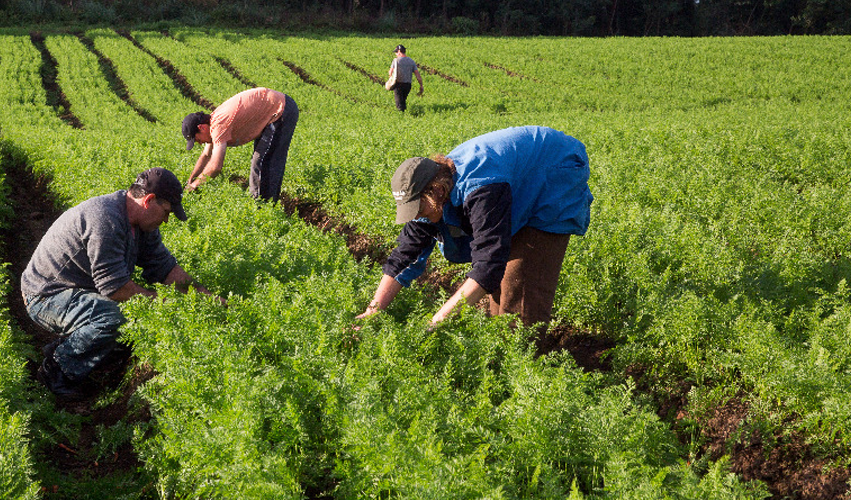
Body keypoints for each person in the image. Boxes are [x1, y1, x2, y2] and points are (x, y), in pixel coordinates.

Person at [356, 126, 593, 330]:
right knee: (499, 291)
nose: (417, 218)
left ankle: (519, 366)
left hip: (553, 172)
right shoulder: (432, 195)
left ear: (437, 192)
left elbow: (488, 265)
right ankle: (500, 353)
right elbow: (404, 256)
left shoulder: (481, 190)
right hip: (516, 179)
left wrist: (436, 323)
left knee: (520, 286)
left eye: (418, 210)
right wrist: (372, 311)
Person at [21, 167, 219, 399]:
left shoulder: (142, 226)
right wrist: (162, 302)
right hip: (45, 295)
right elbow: (114, 288)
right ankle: (57, 370)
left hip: (78, 289)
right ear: (149, 200)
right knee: (115, 317)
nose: (166, 220)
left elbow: (165, 268)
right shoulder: (105, 218)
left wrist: (207, 297)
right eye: (166, 212)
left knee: (127, 324)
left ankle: (70, 348)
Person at [181, 87, 299, 202]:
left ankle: (262, 207)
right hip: (274, 108)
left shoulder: (218, 125)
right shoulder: (212, 123)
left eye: (197, 139)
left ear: (201, 127)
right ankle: (266, 203)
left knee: (262, 161)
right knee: (263, 160)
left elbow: (215, 167)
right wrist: (191, 179)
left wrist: (196, 185)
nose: (200, 143)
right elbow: (206, 155)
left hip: (281, 110)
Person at [388, 44, 423, 112]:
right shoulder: (411, 61)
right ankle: (405, 114)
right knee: (403, 100)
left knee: (399, 104)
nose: (396, 54)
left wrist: (390, 80)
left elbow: (390, 72)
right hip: (407, 85)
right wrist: (421, 85)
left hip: (398, 84)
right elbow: (417, 75)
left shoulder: (396, 61)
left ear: (399, 51)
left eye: (396, 52)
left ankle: (401, 117)